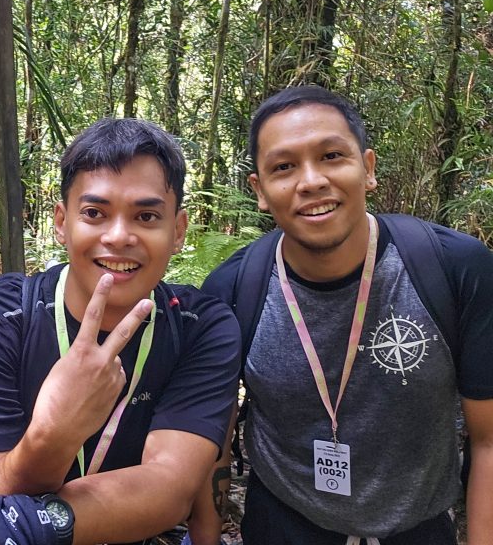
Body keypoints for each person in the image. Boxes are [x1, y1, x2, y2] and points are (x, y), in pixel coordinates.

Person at [190, 85, 493, 545]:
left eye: (332, 156)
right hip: (283, 527)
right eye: (284, 167)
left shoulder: (453, 269)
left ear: (367, 169)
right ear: (261, 191)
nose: (311, 181)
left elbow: (488, 439)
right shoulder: (234, 289)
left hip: (417, 528)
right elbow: (215, 446)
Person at [0, 117, 241, 545]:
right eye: (95, 213)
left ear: (177, 231)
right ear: (62, 222)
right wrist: (54, 433)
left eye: (146, 216)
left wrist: (38, 523)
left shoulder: (200, 327)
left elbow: (170, 486)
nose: (119, 236)